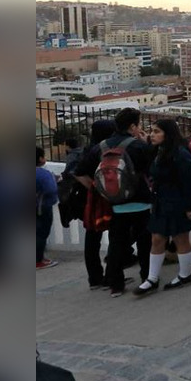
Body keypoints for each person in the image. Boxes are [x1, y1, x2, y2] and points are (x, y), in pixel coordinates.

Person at [74, 108, 154, 297]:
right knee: (144, 242)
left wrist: (100, 190)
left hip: (115, 203)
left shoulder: (100, 147)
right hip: (141, 201)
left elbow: (79, 172)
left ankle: (116, 285)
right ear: (133, 126)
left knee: (116, 243)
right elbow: (154, 168)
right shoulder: (137, 146)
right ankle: (146, 278)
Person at [134, 119, 191, 295]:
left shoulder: (180, 154)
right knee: (157, 239)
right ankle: (152, 278)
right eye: (152, 131)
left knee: (181, 239)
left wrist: (189, 207)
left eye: (157, 131)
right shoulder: (160, 152)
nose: (152, 134)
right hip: (162, 201)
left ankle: (185, 274)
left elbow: (190, 182)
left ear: (168, 134)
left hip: (177, 202)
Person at [78, 120, 116, 288]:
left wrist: (94, 188)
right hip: (104, 198)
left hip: (92, 200)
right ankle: (110, 276)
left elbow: (78, 172)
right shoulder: (101, 150)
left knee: (92, 238)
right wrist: (100, 188)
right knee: (116, 235)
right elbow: (79, 173)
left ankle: (95, 278)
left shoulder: (89, 150)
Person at [36, 147, 59, 270]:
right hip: (42, 207)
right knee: (41, 233)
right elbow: (51, 189)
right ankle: (38, 260)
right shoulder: (43, 174)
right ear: (40, 158)